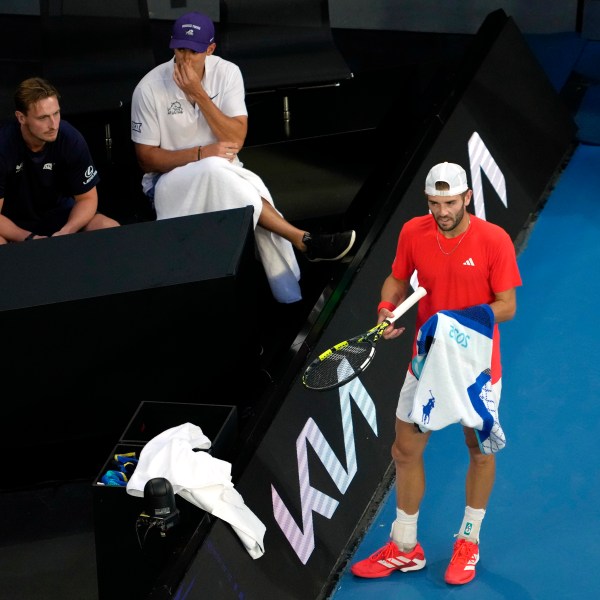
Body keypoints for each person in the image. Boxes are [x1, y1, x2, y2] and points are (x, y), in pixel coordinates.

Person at [350, 162, 522, 585]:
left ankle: (469, 540)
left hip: (475, 368)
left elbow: (507, 305)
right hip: (425, 362)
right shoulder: (414, 231)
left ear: (466, 197)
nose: (442, 211)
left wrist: (456, 323)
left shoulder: (493, 240)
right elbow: (396, 279)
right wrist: (386, 309)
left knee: (479, 452)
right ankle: (405, 547)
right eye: (433, 203)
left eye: (449, 203)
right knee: (404, 451)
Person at [130, 11, 356, 304]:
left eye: (193, 51)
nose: (184, 59)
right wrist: (200, 154)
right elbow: (146, 160)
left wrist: (199, 95)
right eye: (179, 49)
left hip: (225, 170)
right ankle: (302, 244)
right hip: (167, 181)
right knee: (218, 171)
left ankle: (302, 250)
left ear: (210, 49)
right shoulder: (148, 88)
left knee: (223, 176)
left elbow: (235, 139)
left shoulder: (227, 73)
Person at [0, 77, 120, 243]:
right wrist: (29, 238)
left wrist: (67, 231)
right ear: (21, 117)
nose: (53, 124)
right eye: (43, 118)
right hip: (14, 224)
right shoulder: (4, 146)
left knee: (109, 227)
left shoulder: (70, 138)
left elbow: (87, 199)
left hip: (62, 217)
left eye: (56, 113)